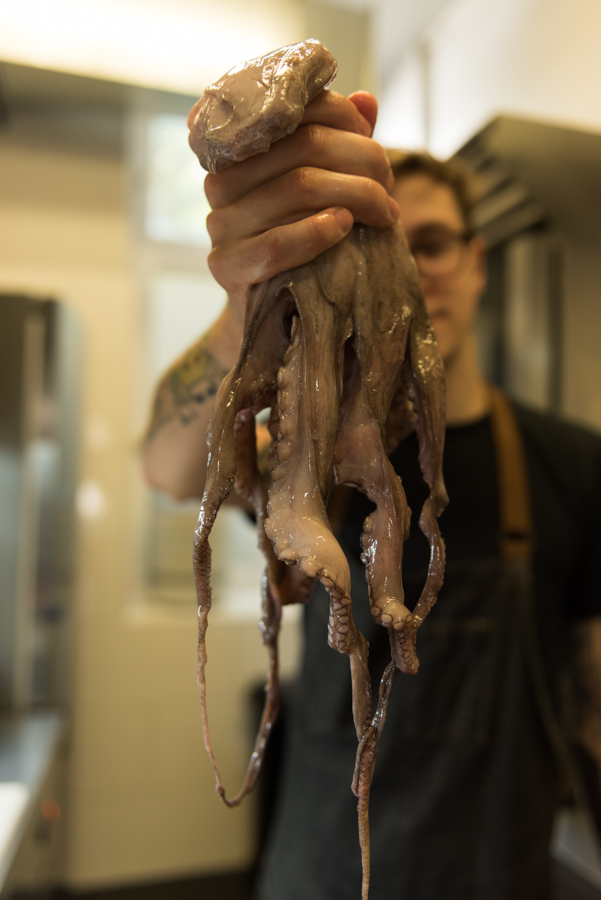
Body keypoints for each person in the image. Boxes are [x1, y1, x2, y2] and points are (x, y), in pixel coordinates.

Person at [143, 89, 601, 899]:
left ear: (477, 262)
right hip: (321, 875)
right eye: (384, 246)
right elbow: (168, 468)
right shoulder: (311, 464)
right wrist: (242, 313)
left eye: (433, 245)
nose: (414, 274)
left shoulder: (575, 464)